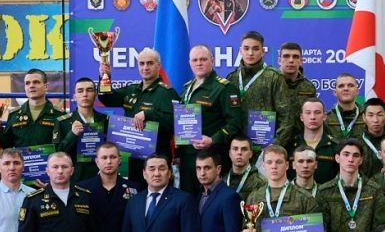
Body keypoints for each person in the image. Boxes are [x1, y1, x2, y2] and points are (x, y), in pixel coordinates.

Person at [97, 48, 180, 187]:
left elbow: (174, 123)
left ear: (158, 66)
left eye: (150, 63)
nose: (145, 67)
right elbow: (107, 99)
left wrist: (148, 114)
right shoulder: (131, 89)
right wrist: (105, 77)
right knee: (137, 194)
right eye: (142, 63)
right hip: (135, 158)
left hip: (157, 159)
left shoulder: (167, 93)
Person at [17, 152, 96, 232]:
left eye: (64, 167)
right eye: (55, 167)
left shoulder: (84, 197)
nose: (60, 171)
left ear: (72, 171)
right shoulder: (34, 200)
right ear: (47, 171)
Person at [178, 45, 243, 193]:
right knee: (188, 200)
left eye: (203, 59)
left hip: (212, 157)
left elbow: (235, 123)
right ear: (189, 63)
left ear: (212, 61)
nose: (199, 63)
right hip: (187, 159)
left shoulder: (224, 88)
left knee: (210, 201)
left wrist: (213, 139)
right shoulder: (187, 88)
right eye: (195, 60)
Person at [317, 140, 378, 232]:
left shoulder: (374, 190)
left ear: (361, 160)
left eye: (356, 155)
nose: (351, 159)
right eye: (346, 154)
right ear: (337, 158)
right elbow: (322, 231)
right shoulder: (324, 192)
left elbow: (379, 229)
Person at [0, 68, 65, 157]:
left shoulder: (59, 115)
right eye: (27, 83)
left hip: (51, 165)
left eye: (36, 82)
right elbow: (6, 145)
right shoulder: (14, 115)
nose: (31, 86)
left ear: (46, 87)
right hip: (21, 165)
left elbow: (63, 147)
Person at [225, 32, 282, 136]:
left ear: (263, 51)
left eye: (255, 49)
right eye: (246, 48)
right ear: (240, 51)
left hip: (265, 141)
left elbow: (285, 115)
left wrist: (277, 142)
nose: (250, 53)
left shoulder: (274, 77)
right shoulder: (232, 78)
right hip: (236, 142)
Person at [54, 76, 109, 183]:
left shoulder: (105, 120)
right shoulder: (63, 122)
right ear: (75, 96)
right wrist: (72, 135)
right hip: (74, 178)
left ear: (95, 94)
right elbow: (57, 154)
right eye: (80, 91)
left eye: (89, 90)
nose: (85, 94)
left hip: (101, 177)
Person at [279, 100, 339, 184]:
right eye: (308, 113)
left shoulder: (335, 147)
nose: (312, 117)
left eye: (317, 112)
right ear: (301, 117)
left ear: (324, 116)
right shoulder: (289, 146)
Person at [273, 42, 317, 141]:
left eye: (295, 57)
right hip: (273, 140)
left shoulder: (308, 87)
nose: (291, 60)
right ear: (279, 60)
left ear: (301, 61)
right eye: (286, 56)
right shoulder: (270, 83)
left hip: (300, 141)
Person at [357, 98, 385, 179]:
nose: (375, 120)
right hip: (363, 186)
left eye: (380, 115)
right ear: (364, 117)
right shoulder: (356, 143)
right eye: (370, 115)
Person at [325, 73, 363, 140]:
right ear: (335, 92)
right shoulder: (325, 119)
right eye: (341, 86)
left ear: (357, 91)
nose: (346, 89)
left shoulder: (367, 116)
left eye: (350, 85)